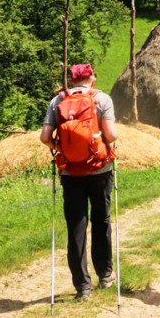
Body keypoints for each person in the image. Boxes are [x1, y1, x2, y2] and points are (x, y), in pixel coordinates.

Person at [40, 63, 118, 301]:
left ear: (72, 80)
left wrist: (60, 149)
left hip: (71, 173)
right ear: (92, 78)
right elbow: (112, 135)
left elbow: (45, 137)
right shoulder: (101, 99)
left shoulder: (57, 102)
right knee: (101, 220)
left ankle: (82, 287)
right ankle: (105, 275)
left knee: (76, 227)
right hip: (99, 169)